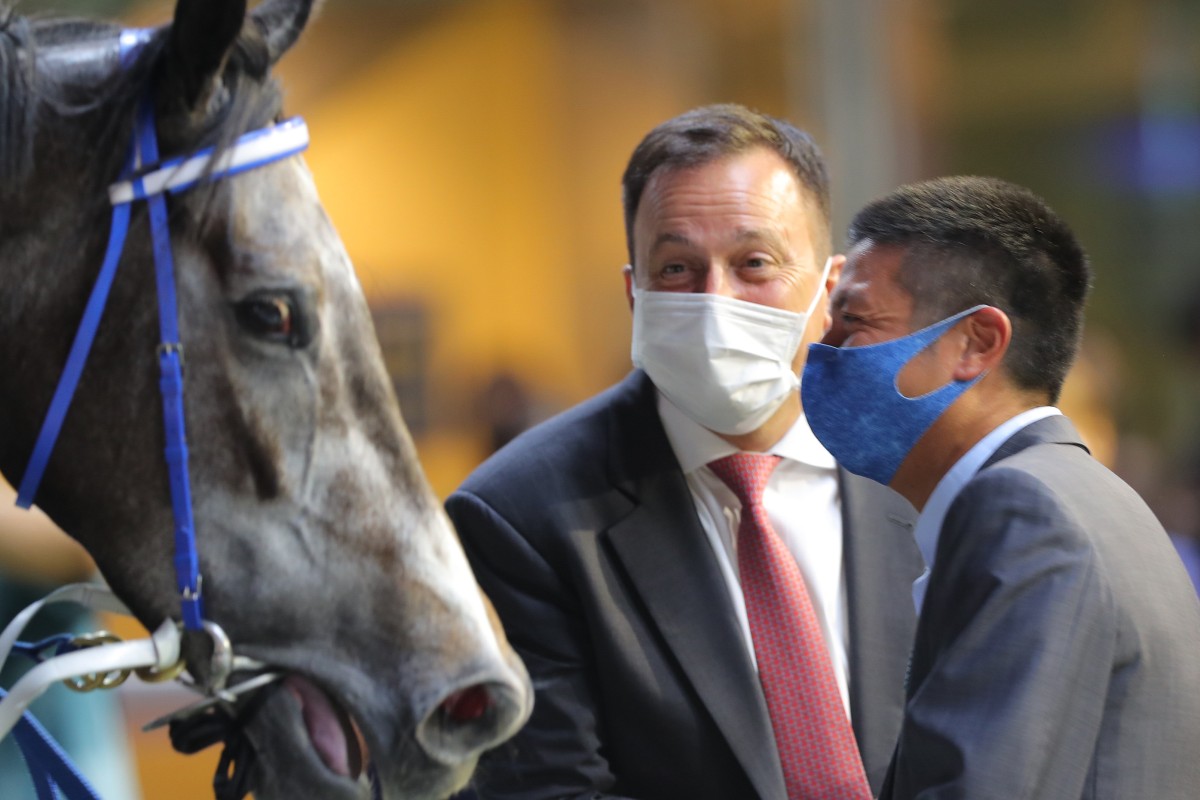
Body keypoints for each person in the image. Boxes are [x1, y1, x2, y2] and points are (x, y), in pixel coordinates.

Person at [446, 104, 923, 799]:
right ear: (633, 293)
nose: (715, 300)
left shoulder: (920, 473)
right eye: (676, 268)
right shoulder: (520, 514)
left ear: (828, 290)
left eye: (754, 263)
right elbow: (550, 790)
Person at [801, 175, 1200, 799]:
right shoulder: (1086, 495)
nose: (823, 352)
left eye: (854, 322)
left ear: (976, 343)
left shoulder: (1024, 510)